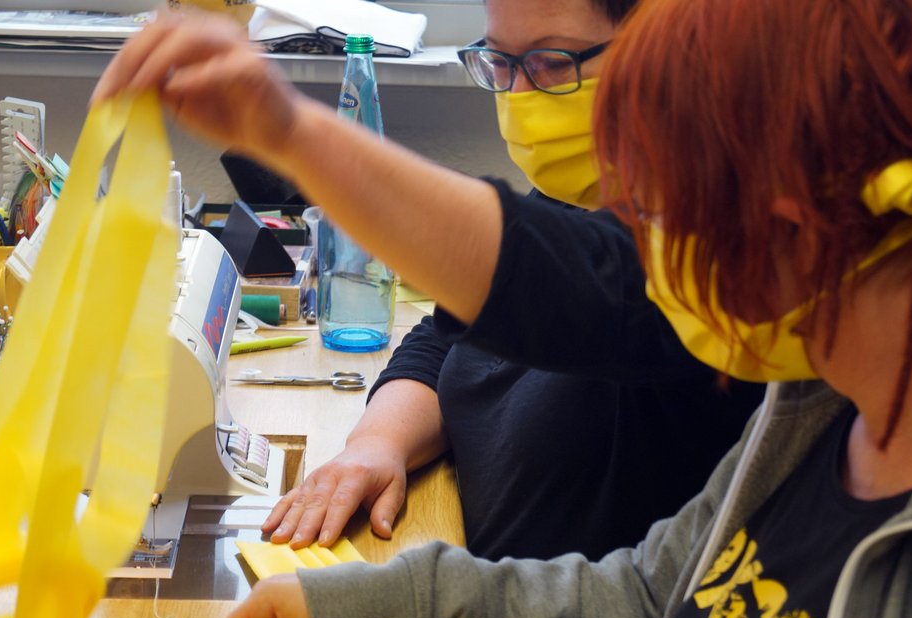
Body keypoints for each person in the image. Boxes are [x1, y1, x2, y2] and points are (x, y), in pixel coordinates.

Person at [94, 0, 912, 618]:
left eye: (659, 226)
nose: (645, 264)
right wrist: (382, 609)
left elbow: (554, 276)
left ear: (790, 223)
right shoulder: (827, 394)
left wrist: (288, 130)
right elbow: (648, 603)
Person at [258, 0, 763, 561]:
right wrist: (380, 442)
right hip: (468, 567)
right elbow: (448, 332)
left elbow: (536, 279)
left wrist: (294, 134)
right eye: (500, 61)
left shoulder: (721, 263)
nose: (518, 95)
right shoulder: (580, 192)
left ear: (671, 53)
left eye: (551, 62)